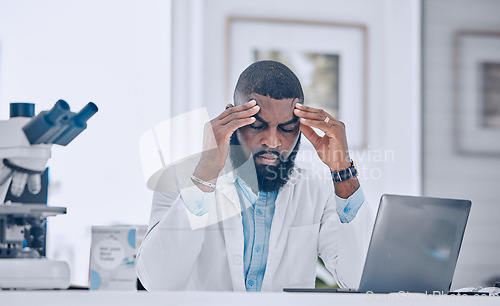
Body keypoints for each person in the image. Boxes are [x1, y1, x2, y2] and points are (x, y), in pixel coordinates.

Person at [136, 60, 374, 291]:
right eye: (257, 125)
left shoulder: (317, 190)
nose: (272, 141)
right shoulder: (179, 177)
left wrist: (342, 170)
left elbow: (357, 278)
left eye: (287, 128)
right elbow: (157, 282)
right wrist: (206, 173)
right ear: (232, 119)